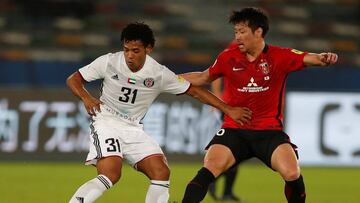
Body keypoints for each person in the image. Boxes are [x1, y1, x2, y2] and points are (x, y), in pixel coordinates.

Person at [66, 22, 252, 203]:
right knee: (111, 174)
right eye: (126, 49)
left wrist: (228, 109)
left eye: (136, 50)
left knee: (161, 172)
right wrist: (86, 97)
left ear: (149, 49)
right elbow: (74, 79)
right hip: (106, 122)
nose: (129, 56)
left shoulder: (159, 73)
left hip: (133, 127)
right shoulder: (108, 61)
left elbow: (195, 91)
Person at [181, 7, 338, 203]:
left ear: (258, 32)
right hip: (235, 129)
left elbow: (310, 57)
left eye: (242, 31)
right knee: (210, 167)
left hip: (269, 132)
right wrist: (169, 79)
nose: (237, 37)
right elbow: (203, 77)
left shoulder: (280, 56)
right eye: (236, 32)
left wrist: (324, 58)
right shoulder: (227, 57)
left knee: (291, 173)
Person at [208, 76, 242, 202]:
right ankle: (212, 180)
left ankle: (227, 191)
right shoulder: (231, 59)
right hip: (228, 109)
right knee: (235, 150)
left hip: (237, 108)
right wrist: (217, 100)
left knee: (236, 152)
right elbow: (215, 76)